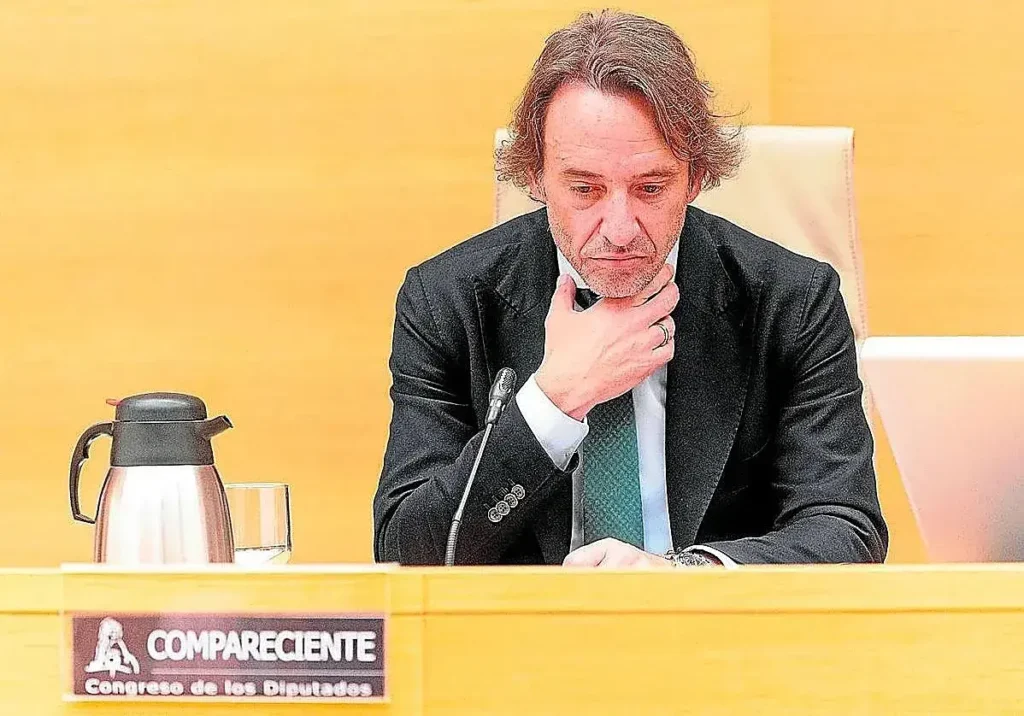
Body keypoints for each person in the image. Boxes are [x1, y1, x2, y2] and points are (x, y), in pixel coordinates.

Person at [374, 10, 887, 567]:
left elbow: (846, 531)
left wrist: (681, 577)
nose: (619, 230)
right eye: (585, 189)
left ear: (696, 177)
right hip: (523, 644)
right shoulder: (447, 301)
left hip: (724, 642)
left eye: (649, 187)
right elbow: (407, 552)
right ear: (536, 178)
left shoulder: (792, 302)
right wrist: (554, 401)